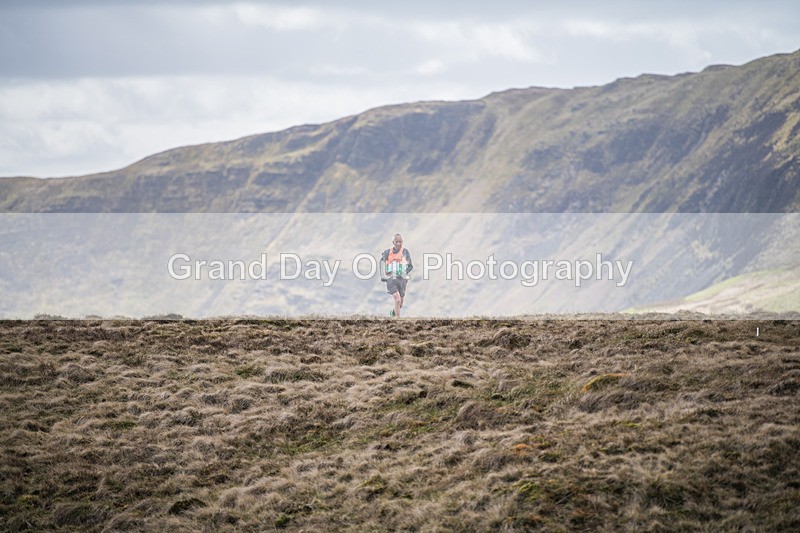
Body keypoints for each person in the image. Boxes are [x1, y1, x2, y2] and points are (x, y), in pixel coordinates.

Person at [381, 233, 413, 317]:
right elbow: (381, 263)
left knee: (400, 304)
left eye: (400, 242)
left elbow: (410, 266)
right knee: (398, 300)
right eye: (397, 242)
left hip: (402, 280)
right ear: (393, 242)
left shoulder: (405, 252)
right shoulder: (387, 252)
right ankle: (398, 321)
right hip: (391, 280)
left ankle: (393, 313)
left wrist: (403, 272)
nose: (399, 243)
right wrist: (384, 276)